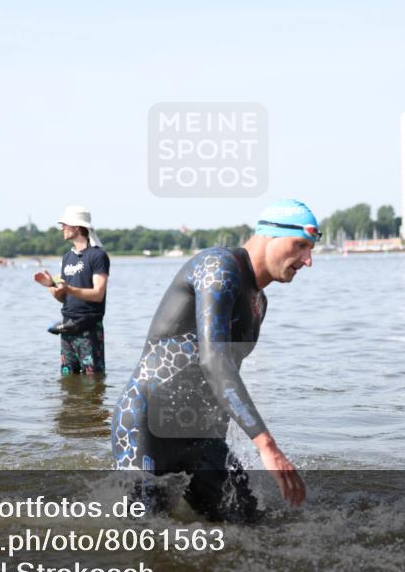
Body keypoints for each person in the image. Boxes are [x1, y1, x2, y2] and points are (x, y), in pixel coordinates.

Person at [110, 199, 316, 522]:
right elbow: (214, 360)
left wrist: (218, 449)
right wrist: (266, 445)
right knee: (143, 538)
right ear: (269, 236)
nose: (308, 260)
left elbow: (225, 378)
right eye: (300, 245)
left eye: (311, 249)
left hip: (200, 437)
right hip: (146, 428)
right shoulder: (218, 268)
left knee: (252, 525)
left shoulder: (259, 302)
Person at [34, 206, 110, 375]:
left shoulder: (98, 255)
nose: (62, 228)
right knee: (67, 379)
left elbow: (98, 294)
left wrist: (68, 288)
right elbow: (65, 298)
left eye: (65, 224)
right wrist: (51, 286)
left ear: (77, 226)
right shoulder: (67, 257)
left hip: (89, 329)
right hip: (67, 327)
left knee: (93, 381)